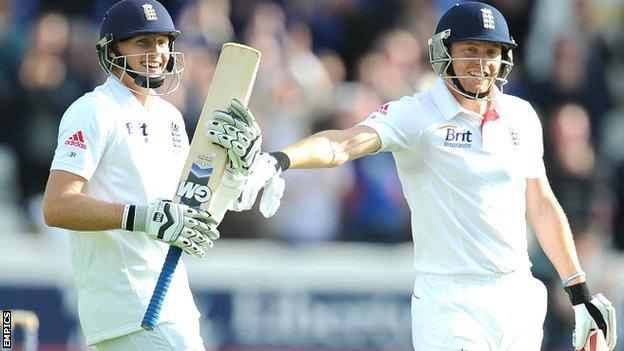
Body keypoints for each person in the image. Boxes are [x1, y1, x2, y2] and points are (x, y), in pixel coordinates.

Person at [209, 2, 617, 350]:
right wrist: (279, 159)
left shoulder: (521, 116)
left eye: (491, 52)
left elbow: (541, 204)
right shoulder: (417, 114)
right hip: (451, 299)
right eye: (470, 50)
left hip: (518, 292)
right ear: (445, 53)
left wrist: (577, 290)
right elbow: (344, 144)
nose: (481, 63)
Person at [42, 1, 259, 350]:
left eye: (162, 42)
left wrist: (235, 169)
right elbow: (57, 206)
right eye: (142, 43)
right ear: (113, 50)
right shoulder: (93, 111)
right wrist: (140, 217)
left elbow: (194, 214)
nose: (156, 53)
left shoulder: (170, 118)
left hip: (170, 302)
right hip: (132, 309)